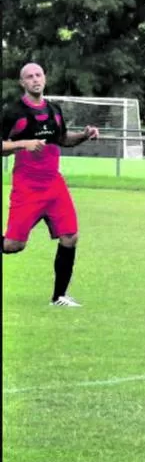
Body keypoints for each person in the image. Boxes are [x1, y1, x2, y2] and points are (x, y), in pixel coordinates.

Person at [2, 62, 99, 307]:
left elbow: (63, 139)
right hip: (27, 187)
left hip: (54, 185)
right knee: (14, 245)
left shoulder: (54, 110)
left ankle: (59, 297)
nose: (35, 79)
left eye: (39, 75)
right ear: (22, 83)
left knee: (70, 236)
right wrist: (22, 144)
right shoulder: (13, 112)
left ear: (44, 78)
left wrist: (84, 135)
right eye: (29, 76)